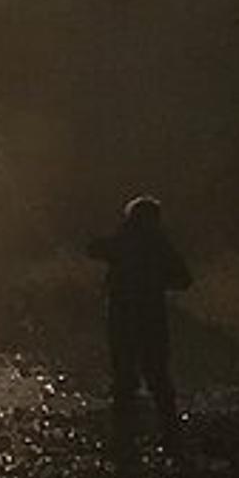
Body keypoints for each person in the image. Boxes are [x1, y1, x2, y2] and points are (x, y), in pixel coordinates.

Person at [86, 195, 193, 462]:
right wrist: (157, 281)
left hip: (122, 316)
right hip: (151, 315)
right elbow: (184, 279)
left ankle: (124, 435)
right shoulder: (160, 245)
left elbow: (92, 248)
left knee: (124, 374)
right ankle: (169, 431)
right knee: (157, 374)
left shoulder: (124, 240)